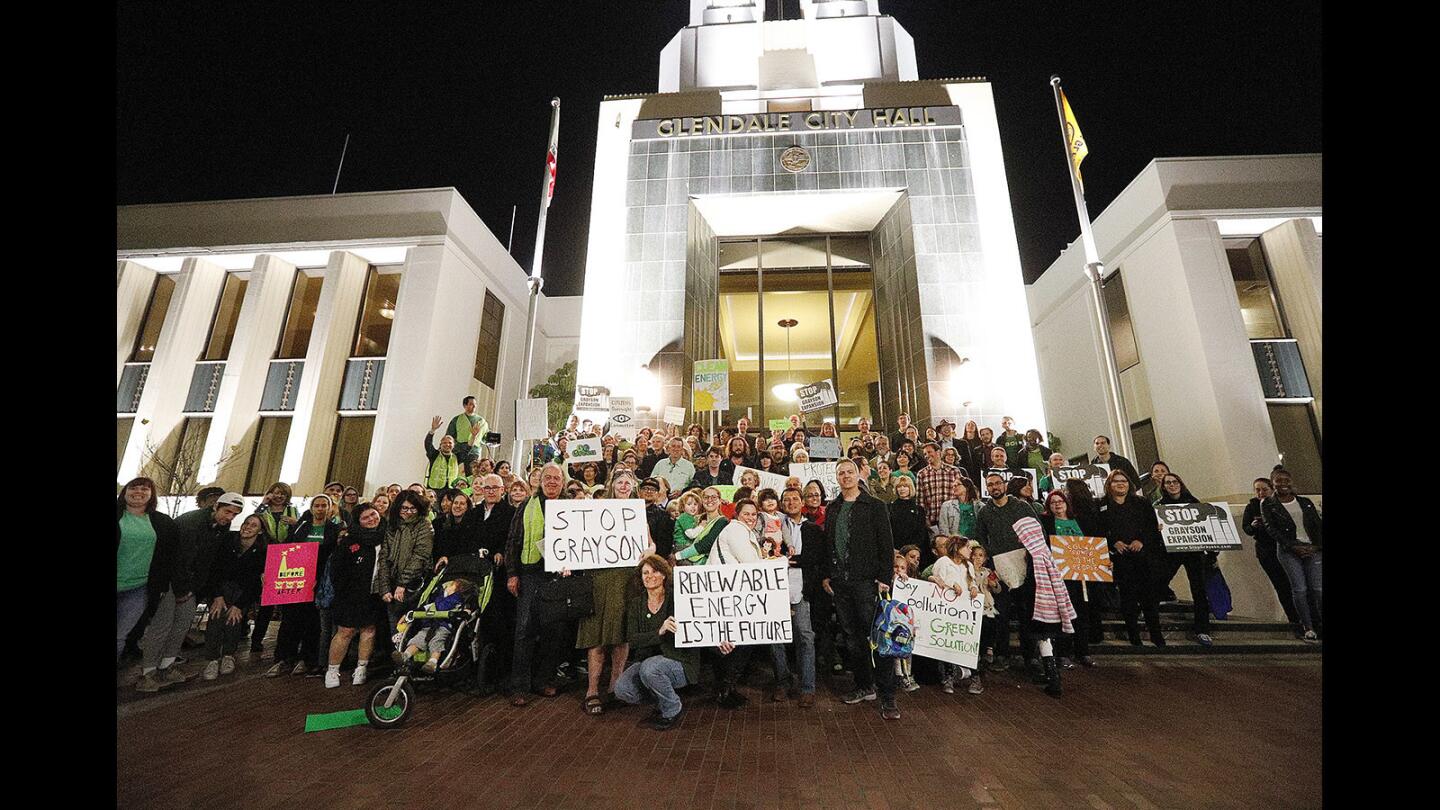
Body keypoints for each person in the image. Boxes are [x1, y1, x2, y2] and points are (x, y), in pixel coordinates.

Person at [135, 491, 246, 692]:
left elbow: (207, 560)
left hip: (189, 585)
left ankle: (166, 666)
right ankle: (148, 673)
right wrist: (181, 590)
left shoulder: (220, 526)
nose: (229, 517)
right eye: (227, 511)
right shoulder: (192, 523)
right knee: (162, 625)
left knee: (182, 624)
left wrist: (194, 588)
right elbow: (181, 559)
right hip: (169, 580)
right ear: (216, 506)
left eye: (234, 515)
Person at [822, 459, 901, 719]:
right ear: (837, 478)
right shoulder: (833, 508)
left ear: (859, 475)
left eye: (849, 472)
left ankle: (888, 695)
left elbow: (885, 543)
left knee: (877, 639)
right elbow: (829, 544)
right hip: (841, 584)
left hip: (867, 582)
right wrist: (827, 576)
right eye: (841, 473)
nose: (845, 476)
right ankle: (864, 686)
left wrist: (884, 577)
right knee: (852, 639)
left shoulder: (875, 506)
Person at [612, 555, 701, 730]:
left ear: (664, 575)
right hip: (648, 662)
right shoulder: (636, 604)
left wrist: (719, 643)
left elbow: (699, 626)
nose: (649, 576)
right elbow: (633, 639)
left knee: (651, 668)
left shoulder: (678, 598)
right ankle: (662, 698)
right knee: (622, 688)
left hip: (680, 661)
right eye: (645, 572)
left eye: (655, 571)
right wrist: (659, 632)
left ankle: (672, 709)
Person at [506, 464, 569, 704]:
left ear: (562, 482)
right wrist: (512, 573)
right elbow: (512, 541)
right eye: (548, 478)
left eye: (557, 478)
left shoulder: (571, 507)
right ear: (539, 481)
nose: (552, 482)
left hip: (559, 576)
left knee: (554, 631)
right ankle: (519, 687)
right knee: (524, 630)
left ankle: (544, 681)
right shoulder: (525, 506)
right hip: (530, 573)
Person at [265, 494, 342, 678]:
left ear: (330, 508)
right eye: (317, 505)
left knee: (312, 622)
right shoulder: (301, 526)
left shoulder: (334, 529)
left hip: (319, 580)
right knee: (290, 620)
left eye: (324, 505)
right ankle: (283, 658)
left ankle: (306, 658)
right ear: (312, 507)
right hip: (296, 579)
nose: (320, 509)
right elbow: (288, 548)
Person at [972, 471, 1040, 671]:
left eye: (997, 483)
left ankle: (1031, 656)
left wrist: (1030, 551)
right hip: (999, 571)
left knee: (1026, 613)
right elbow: (980, 539)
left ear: (1004, 485)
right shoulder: (984, 512)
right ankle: (1002, 655)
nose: (994, 487)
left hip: (1024, 568)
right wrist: (990, 562)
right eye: (990, 484)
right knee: (1001, 615)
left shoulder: (1021, 506)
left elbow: (1037, 531)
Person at [705, 498, 768, 709]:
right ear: (737, 515)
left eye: (754, 514)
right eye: (746, 514)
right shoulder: (736, 531)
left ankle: (726, 688)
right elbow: (751, 564)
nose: (750, 518)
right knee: (737, 640)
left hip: (730, 592)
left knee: (733, 640)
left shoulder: (742, 531)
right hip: (727, 593)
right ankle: (725, 688)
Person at [1099, 470, 1165, 647]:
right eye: (1116, 481)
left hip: (1142, 558)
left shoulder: (1142, 503)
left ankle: (1156, 635)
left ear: (1129, 484)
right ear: (1109, 485)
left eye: (1124, 481)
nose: (1120, 484)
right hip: (1120, 560)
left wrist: (1141, 541)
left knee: (1149, 599)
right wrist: (1114, 543)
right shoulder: (1101, 505)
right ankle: (1134, 636)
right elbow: (1098, 530)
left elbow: (1152, 527)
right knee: (1127, 599)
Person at [1013, 517, 1077, 697]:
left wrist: (1017, 589)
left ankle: (1053, 679)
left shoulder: (1036, 556)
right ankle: (1052, 676)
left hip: (1039, 605)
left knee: (1043, 638)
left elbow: (1034, 583)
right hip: (1050, 603)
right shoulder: (1044, 551)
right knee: (1045, 639)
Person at [117, 478, 179, 664]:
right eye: (133, 488)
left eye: (144, 489)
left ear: (151, 494)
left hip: (138, 587)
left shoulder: (162, 522)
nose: (138, 492)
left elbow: (169, 555)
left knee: (120, 636)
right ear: (124, 492)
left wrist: (162, 584)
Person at [200, 513, 266, 681]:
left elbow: (255, 583)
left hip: (242, 592)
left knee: (234, 621)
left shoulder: (262, 552)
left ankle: (229, 655)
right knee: (216, 618)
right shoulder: (228, 541)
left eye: (254, 525)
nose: (248, 527)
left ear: (260, 531)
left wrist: (239, 604)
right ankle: (212, 659)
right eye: (246, 523)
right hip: (220, 588)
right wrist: (217, 595)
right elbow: (214, 569)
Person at [324, 502, 383, 687]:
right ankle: (333, 670)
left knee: (369, 630)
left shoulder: (386, 536)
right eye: (366, 518)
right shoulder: (350, 540)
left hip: (375, 594)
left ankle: (362, 668)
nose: (371, 519)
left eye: (373, 515)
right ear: (358, 521)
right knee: (345, 631)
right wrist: (344, 590)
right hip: (349, 595)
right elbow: (337, 569)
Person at [1154, 472, 1215, 646]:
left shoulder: (1194, 503)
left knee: (1199, 590)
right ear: (1163, 487)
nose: (1172, 485)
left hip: (1194, 552)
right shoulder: (1159, 505)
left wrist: (1212, 553)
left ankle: (1203, 629)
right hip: (1170, 551)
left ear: (1180, 484)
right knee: (1160, 581)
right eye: (1168, 483)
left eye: (1175, 482)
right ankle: (1150, 612)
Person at [1261, 469, 1322, 642]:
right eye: (1278, 481)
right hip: (1289, 551)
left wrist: (1316, 546)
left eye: (1286, 480)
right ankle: (1308, 626)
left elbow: (1317, 525)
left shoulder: (1305, 502)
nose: (1283, 484)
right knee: (1300, 589)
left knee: (1318, 589)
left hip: (1312, 549)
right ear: (1273, 483)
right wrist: (1293, 546)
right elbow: (1271, 528)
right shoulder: (1268, 503)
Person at [1039, 490, 1098, 668]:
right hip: (1059, 574)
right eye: (1053, 502)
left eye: (1060, 501)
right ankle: (1063, 653)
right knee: (1062, 613)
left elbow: (1094, 544)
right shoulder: (1047, 522)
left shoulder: (1081, 521)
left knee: (1082, 612)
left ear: (1067, 503)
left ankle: (1083, 651)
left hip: (1082, 574)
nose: (1057, 504)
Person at [774, 487, 821, 707]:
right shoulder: (774, 526)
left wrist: (791, 560)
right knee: (776, 637)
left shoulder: (812, 528)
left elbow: (814, 558)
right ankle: (782, 682)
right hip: (776, 588)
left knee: (805, 636)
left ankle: (807, 687)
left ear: (802, 502)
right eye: (787, 499)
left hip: (802, 588)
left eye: (795, 499)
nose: (791, 502)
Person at [374, 490, 434, 643]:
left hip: (413, 585)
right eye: (404, 508)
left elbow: (420, 556)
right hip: (392, 583)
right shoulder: (392, 526)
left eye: (412, 508)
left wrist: (402, 584)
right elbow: (385, 557)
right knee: (394, 628)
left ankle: (408, 659)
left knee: (409, 626)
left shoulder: (424, 525)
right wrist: (385, 587)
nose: (408, 512)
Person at [1243, 478, 1300, 630]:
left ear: (1272, 489)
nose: (1261, 493)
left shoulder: (1279, 504)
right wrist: (1253, 526)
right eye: (1257, 490)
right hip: (1266, 550)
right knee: (1281, 586)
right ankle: (1294, 618)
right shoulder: (1252, 506)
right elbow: (1246, 528)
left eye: (1264, 489)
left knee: (1297, 584)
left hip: (1286, 547)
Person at [927, 535, 979, 693]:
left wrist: (974, 587)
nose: (970, 550)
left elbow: (972, 582)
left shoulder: (968, 566)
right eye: (967, 547)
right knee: (949, 643)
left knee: (969, 643)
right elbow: (937, 582)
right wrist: (952, 584)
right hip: (948, 610)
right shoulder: (943, 562)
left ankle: (975, 678)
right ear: (957, 548)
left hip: (964, 610)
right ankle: (948, 677)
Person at [394, 577, 475, 675]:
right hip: (430, 625)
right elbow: (430, 606)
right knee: (418, 639)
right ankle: (405, 656)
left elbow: (442, 607)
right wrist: (415, 612)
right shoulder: (440, 598)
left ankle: (432, 663)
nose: (447, 586)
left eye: (451, 585)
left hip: (444, 626)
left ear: (458, 590)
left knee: (436, 641)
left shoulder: (456, 599)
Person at [675, 487, 730, 565]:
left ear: (720, 500)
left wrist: (678, 555)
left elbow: (706, 545)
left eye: (714, 497)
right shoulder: (696, 519)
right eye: (706, 497)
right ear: (702, 501)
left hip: (710, 566)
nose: (709, 500)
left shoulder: (722, 521)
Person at [916, 442, 961, 536]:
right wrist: (925, 519)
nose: (927, 455)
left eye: (929, 452)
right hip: (932, 520)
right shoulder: (922, 474)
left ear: (938, 452)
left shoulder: (954, 471)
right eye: (924, 454)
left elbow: (961, 495)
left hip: (952, 519)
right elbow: (920, 501)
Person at [888, 476, 931, 569]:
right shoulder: (889, 508)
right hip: (896, 550)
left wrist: (912, 550)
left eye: (905, 486)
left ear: (910, 488)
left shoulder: (919, 509)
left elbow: (921, 532)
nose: (902, 489)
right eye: (899, 486)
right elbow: (889, 530)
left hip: (915, 550)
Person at [892, 553, 920, 692]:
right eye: (896, 567)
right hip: (894, 622)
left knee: (908, 649)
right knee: (896, 648)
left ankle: (908, 674)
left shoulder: (911, 584)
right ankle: (898, 675)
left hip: (907, 622)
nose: (899, 570)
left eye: (902, 568)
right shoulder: (890, 583)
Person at [424, 418, 466, 491]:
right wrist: (432, 430)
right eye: (444, 443)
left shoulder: (456, 457)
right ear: (440, 445)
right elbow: (428, 444)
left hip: (451, 489)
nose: (447, 444)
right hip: (434, 489)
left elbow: (468, 449)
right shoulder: (434, 454)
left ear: (453, 445)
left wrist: (474, 436)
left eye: (450, 443)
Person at [445, 396, 491, 463]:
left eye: (475, 404)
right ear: (465, 405)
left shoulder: (482, 421)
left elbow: (486, 438)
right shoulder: (457, 419)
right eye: (471, 404)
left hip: (474, 452)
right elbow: (449, 436)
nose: (474, 406)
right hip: (459, 451)